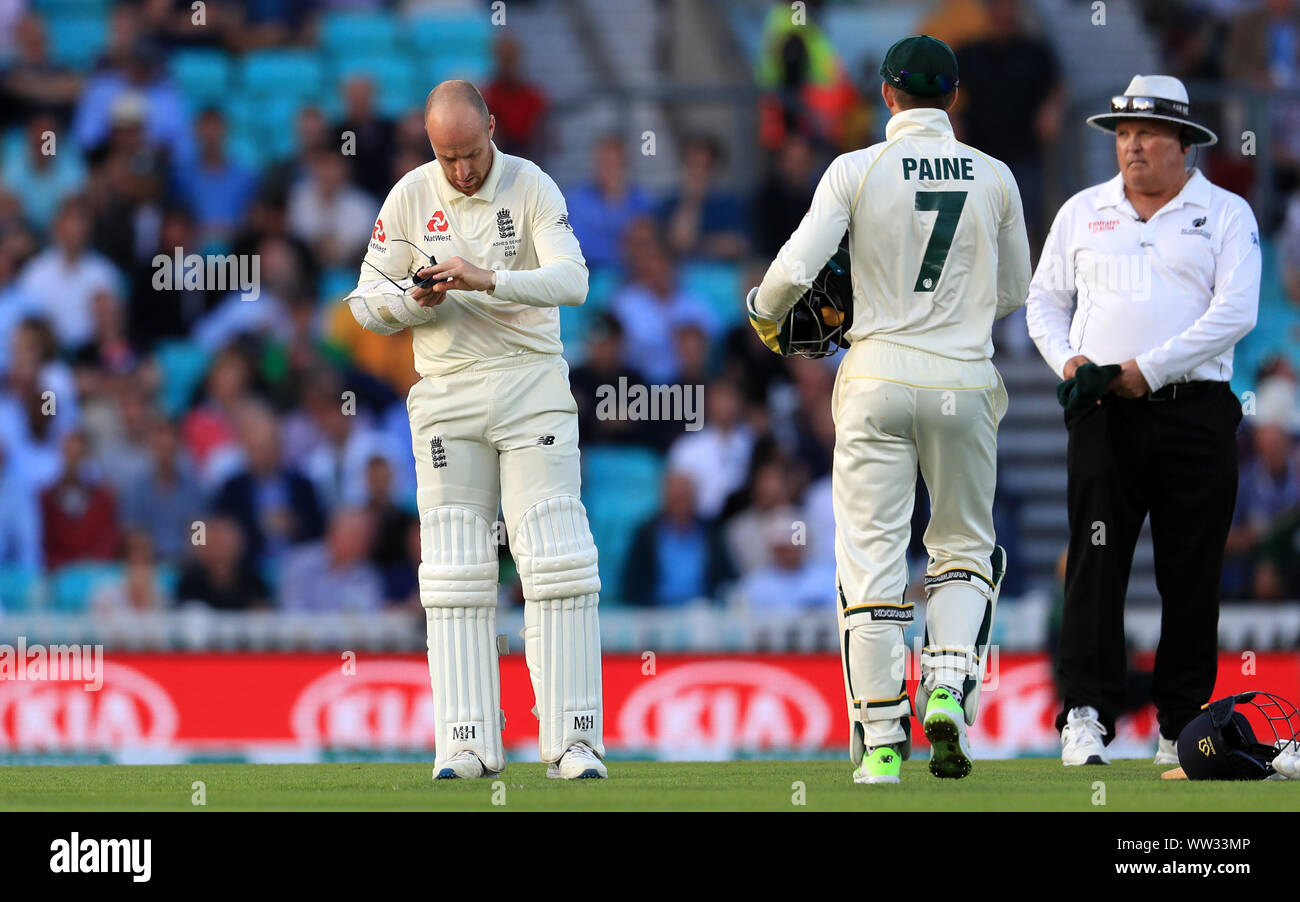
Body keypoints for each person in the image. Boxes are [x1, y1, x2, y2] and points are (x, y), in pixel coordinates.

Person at [746, 36, 1031, 784]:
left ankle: (880, 743)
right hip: (965, 382)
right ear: (955, 96)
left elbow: (793, 269)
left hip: (874, 378)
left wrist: (765, 316)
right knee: (964, 549)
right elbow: (1014, 292)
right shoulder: (996, 177)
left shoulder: (855, 168)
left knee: (871, 561)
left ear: (885, 95)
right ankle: (945, 686)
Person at [345, 80, 606, 781]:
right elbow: (365, 302)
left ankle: (573, 741)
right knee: (455, 570)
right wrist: (414, 298)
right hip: (448, 394)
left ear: (493, 123)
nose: (461, 170)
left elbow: (573, 281)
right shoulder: (409, 195)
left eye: (471, 151)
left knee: (555, 556)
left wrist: (484, 278)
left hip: (531, 384)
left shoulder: (531, 184)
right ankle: (466, 742)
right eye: (447, 156)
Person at [1025, 75, 1260, 767]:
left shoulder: (1225, 212)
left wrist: (1146, 370)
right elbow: (1044, 302)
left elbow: (1237, 312)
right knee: (1095, 563)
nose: (1132, 147)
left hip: (1196, 411)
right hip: (1103, 411)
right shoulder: (1082, 211)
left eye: (1148, 134)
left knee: (1192, 571)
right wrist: (1070, 363)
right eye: (1123, 135)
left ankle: (1181, 724)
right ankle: (1086, 714)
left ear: (1185, 145)